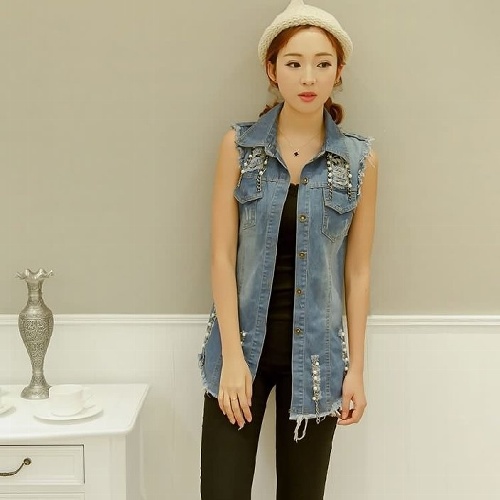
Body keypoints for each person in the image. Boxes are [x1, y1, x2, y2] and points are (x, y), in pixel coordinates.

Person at [198, 1, 378, 498]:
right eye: (294, 62)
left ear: (339, 71)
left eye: (323, 63)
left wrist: (356, 371)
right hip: (241, 351)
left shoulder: (360, 160)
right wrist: (232, 358)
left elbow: (358, 272)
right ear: (272, 70)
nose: (308, 77)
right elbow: (221, 257)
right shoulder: (239, 147)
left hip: (319, 361)